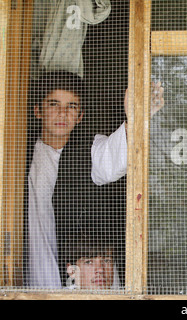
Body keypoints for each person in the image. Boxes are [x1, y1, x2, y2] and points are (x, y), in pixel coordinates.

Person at [24, 71, 164, 288]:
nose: (62, 113)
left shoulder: (89, 148)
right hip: (31, 273)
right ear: (38, 111)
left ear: (80, 116)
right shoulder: (17, 154)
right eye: (54, 104)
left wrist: (135, 118)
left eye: (71, 106)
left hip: (85, 279)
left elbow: (114, 162)